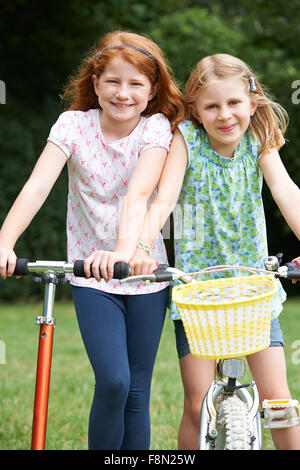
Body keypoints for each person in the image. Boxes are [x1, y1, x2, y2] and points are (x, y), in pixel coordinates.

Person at [0, 30, 185, 450]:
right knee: (115, 381)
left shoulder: (156, 129)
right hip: (90, 275)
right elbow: (37, 186)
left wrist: (124, 252)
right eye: (113, 82)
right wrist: (5, 241)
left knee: (137, 392)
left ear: (153, 89)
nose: (123, 93)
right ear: (95, 82)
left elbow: (140, 193)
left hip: (142, 271)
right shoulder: (73, 126)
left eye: (136, 83)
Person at [130, 53, 300, 450]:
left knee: (279, 401)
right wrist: (141, 246)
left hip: (253, 290)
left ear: (252, 103)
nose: (224, 115)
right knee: (197, 405)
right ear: (197, 111)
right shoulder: (185, 140)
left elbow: (286, 192)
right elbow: (163, 201)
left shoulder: (258, 142)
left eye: (234, 103)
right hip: (196, 293)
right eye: (212, 106)